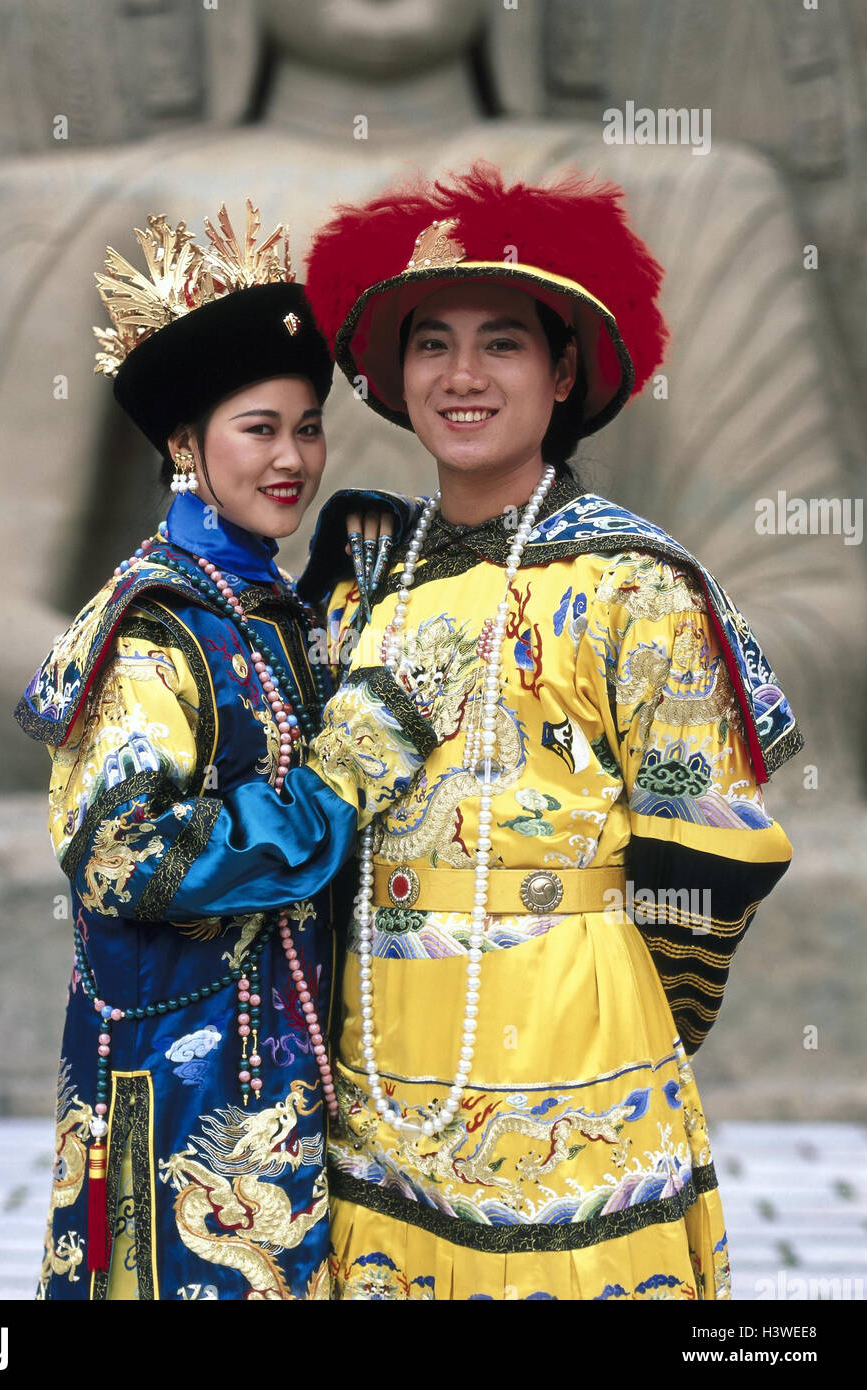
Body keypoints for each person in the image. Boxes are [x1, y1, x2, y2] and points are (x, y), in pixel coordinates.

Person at [298, 163, 800, 1300]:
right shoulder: (360, 571)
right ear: (395, 372)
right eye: (431, 343)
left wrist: (615, 1006)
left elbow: (711, 848)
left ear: (562, 370)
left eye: (501, 344)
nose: (461, 376)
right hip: (376, 1050)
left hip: (575, 1039)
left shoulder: (635, 583)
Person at [14, 202, 428, 1300]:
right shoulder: (156, 623)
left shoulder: (255, 601)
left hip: (277, 1062)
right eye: (259, 427)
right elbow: (122, 855)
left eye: (307, 425)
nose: (291, 458)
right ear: (182, 445)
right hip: (186, 1076)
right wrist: (338, 779)